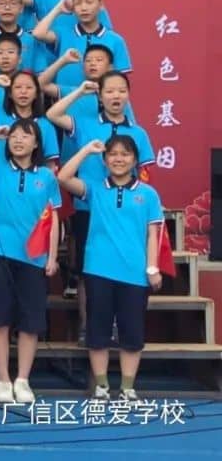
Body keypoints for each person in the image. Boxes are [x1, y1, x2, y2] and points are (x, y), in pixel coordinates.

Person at [47, 73, 154, 344]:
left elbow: (144, 174)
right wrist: (79, 92)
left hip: (127, 213)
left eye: (121, 91)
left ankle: (119, 327)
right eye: (109, 91)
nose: (116, 96)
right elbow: (53, 114)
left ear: (128, 95)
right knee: (89, 270)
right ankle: (89, 326)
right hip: (89, 205)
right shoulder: (86, 124)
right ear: (100, 95)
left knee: (124, 267)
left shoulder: (138, 133)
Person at [58, 137, 164, 402]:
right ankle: (102, 385)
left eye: (125, 154)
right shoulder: (95, 189)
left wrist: (152, 267)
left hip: (134, 273)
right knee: (98, 330)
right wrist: (86, 150)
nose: (118, 159)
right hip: (98, 270)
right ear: (104, 161)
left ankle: (127, 387)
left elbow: (153, 234)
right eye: (113, 154)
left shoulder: (148, 194)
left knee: (132, 332)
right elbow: (63, 177)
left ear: (135, 160)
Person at [0, 120, 61, 404]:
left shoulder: (47, 176)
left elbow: (53, 217)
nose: (18, 140)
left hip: (34, 256)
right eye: (14, 136)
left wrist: (52, 256)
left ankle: (22, 379)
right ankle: (3, 380)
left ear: (36, 144)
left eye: (25, 136)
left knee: (30, 322)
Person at [32, 0, 131, 86]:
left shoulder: (115, 40)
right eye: (78, 3)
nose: (83, 8)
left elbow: (120, 81)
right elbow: (38, 34)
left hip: (100, 96)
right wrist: (58, 9)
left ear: (100, 4)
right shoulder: (63, 33)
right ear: (73, 7)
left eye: (89, 2)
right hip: (66, 95)